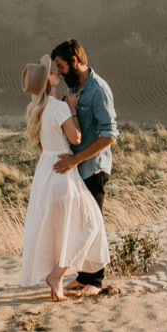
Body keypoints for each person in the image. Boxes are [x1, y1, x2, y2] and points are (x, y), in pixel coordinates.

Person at [18, 55, 109, 301]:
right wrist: (71, 110)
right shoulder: (58, 107)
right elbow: (76, 138)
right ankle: (58, 274)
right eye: (51, 72)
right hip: (63, 171)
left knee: (59, 228)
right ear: (48, 81)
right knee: (90, 225)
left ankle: (57, 281)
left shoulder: (35, 109)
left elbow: (41, 144)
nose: (56, 73)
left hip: (46, 171)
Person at [49, 38, 118, 295]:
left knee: (93, 223)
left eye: (60, 66)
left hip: (94, 167)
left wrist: (76, 160)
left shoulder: (98, 90)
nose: (58, 72)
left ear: (74, 61)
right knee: (81, 222)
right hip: (76, 168)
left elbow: (109, 134)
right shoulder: (75, 89)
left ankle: (95, 281)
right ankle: (85, 276)